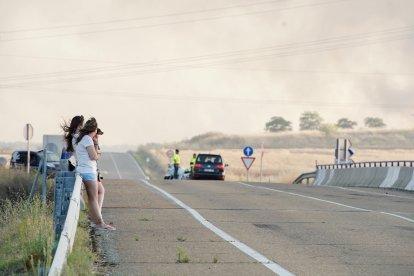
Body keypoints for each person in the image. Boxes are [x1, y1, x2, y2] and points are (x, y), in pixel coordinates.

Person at [75, 117, 115, 231]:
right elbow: (94, 156)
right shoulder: (87, 139)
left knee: (94, 196)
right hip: (88, 171)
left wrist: (96, 143)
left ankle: (96, 221)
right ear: (94, 129)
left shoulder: (83, 138)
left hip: (86, 170)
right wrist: (98, 154)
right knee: (93, 198)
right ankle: (99, 223)